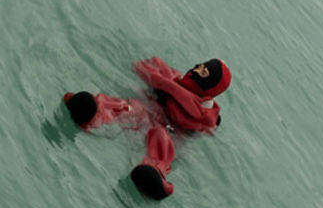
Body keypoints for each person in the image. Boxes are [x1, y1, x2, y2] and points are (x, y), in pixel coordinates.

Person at [63, 57, 231, 200]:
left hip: (169, 131)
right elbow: (143, 68)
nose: (195, 71)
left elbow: (202, 125)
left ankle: (155, 173)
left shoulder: (204, 114)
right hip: (147, 110)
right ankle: (93, 111)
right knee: (128, 107)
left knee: (161, 138)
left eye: (203, 72)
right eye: (199, 66)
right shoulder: (170, 78)